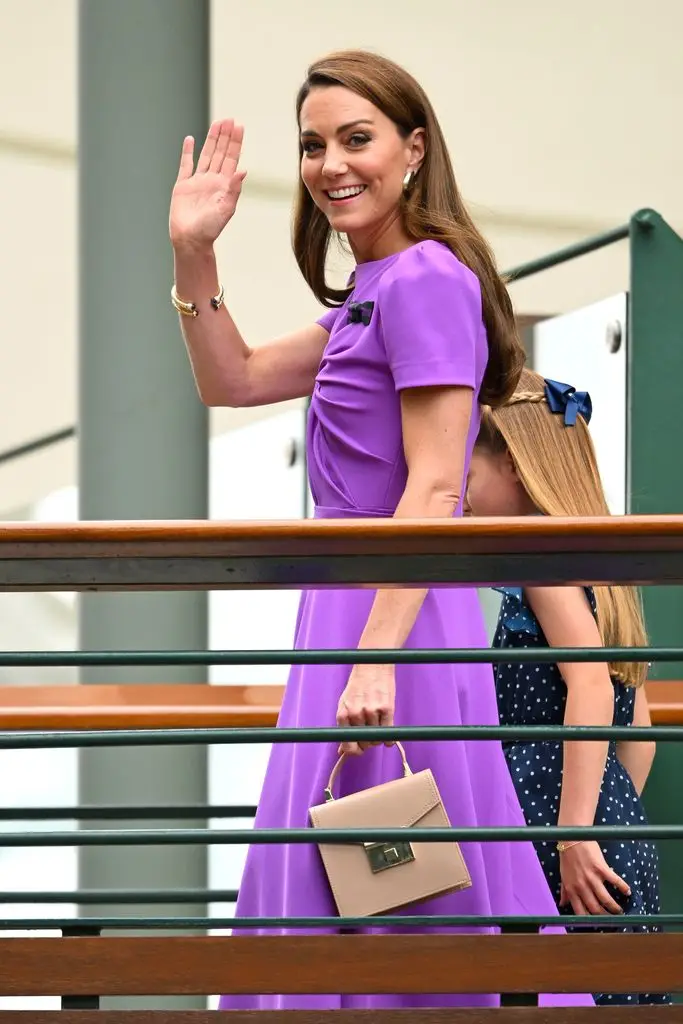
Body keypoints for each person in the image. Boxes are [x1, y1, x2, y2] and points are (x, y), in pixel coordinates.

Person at [169, 50, 593, 1011]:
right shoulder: (371, 291)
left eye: (356, 139)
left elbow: (437, 484)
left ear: (413, 150)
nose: (330, 165)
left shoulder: (425, 281)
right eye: (314, 145)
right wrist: (194, 253)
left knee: (394, 867)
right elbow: (228, 380)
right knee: (362, 855)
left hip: (392, 615)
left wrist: (374, 656)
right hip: (356, 608)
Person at [467, 368, 669, 1006]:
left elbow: (589, 688)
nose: (460, 496)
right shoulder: (602, 577)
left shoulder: (540, 565)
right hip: (613, 828)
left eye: (469, 476)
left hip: (560, 839)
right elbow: (639, 739)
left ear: (518, 473)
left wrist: (575, 833)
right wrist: (608, 819)